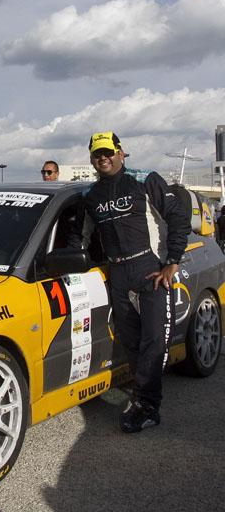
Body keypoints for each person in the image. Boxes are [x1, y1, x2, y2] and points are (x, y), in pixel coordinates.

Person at [68, 131, 189, 433]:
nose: (103, 158)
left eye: (108, 152)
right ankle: (143, 399)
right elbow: (77, 239)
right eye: (97, 154)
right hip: (117, 273)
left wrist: (173, 260)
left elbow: (178, 215)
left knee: (153, 342)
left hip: (150, 269)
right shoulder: (89, 196)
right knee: (132, 343)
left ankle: (148, 406)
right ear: (92, 159)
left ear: (121, 153)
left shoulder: (145, 179)